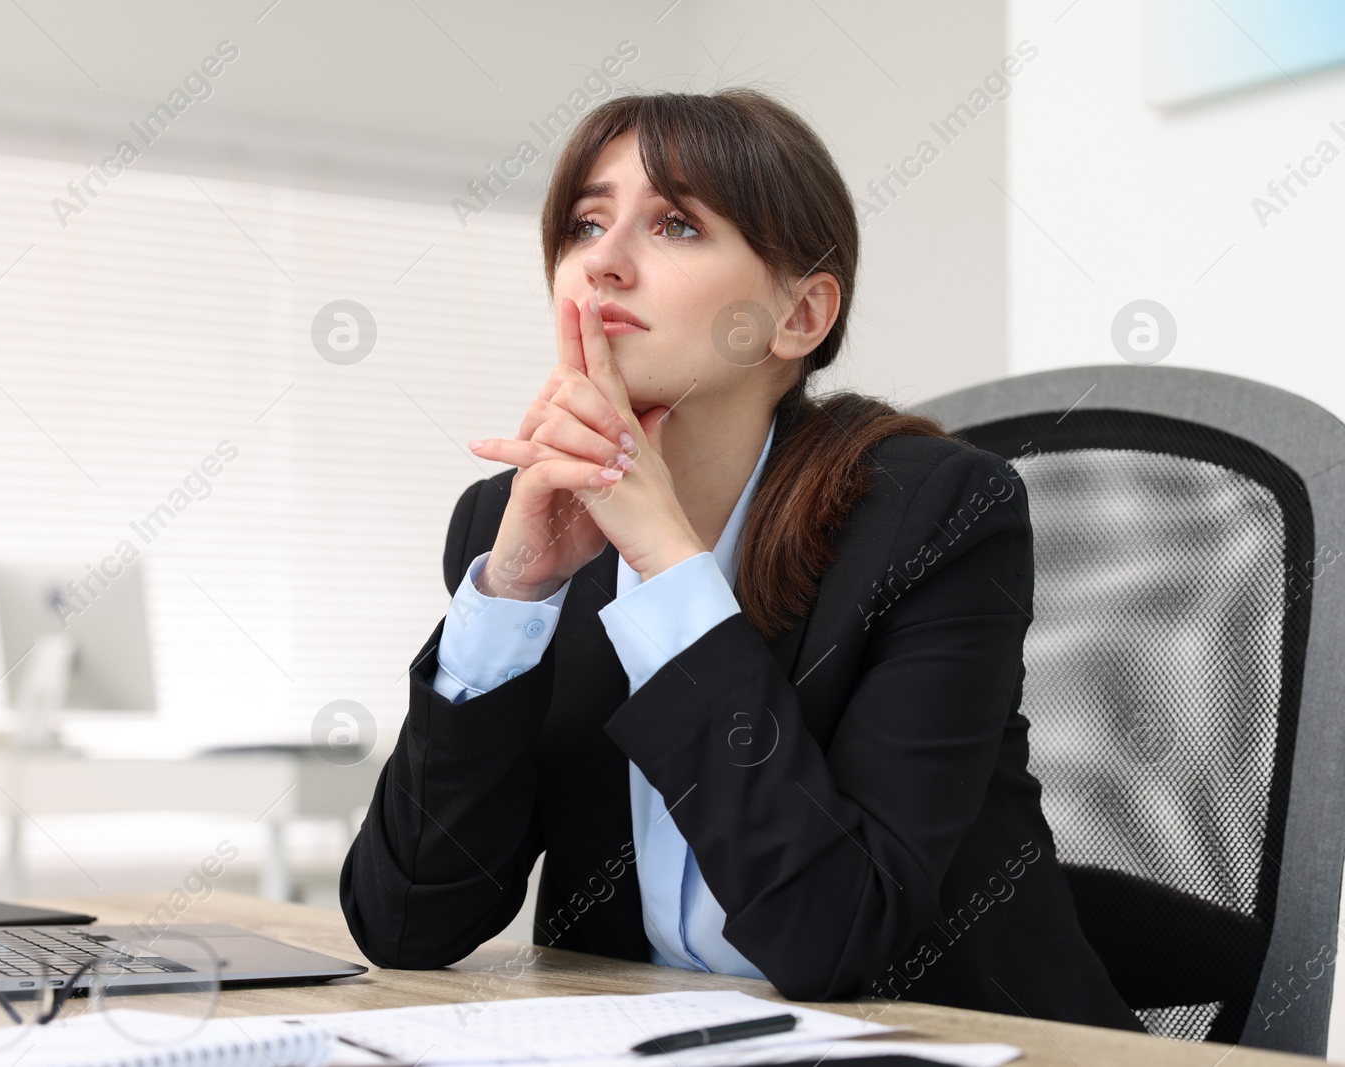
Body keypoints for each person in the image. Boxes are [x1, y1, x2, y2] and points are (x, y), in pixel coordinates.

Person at [340, 87, 1141, 1031]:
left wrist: (671, 571)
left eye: (676, 224)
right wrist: (514, 593)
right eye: (586, 223)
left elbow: (835, 939)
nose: (603, 259)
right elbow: (407, 919)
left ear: (799, 316)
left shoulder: (938, 515)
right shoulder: (509, 525)